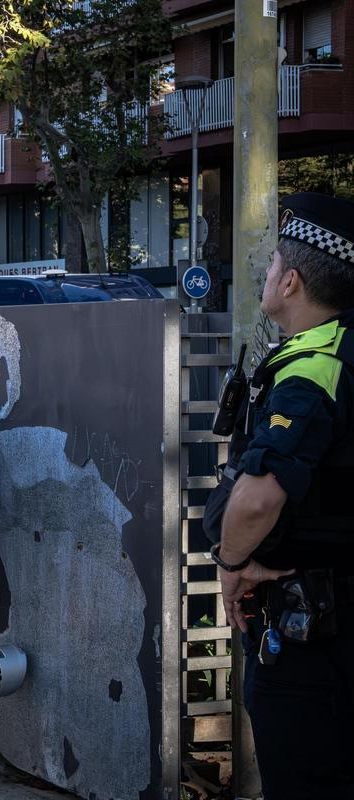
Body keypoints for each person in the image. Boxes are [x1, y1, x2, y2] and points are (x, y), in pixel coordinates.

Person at [208, 193, 354, 798]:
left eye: (270, 266)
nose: (266, 275)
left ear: (291, 282)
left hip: (313, 640)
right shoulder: (340, 353)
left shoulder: (310, 372)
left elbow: (256, 502)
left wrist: (232, 566)